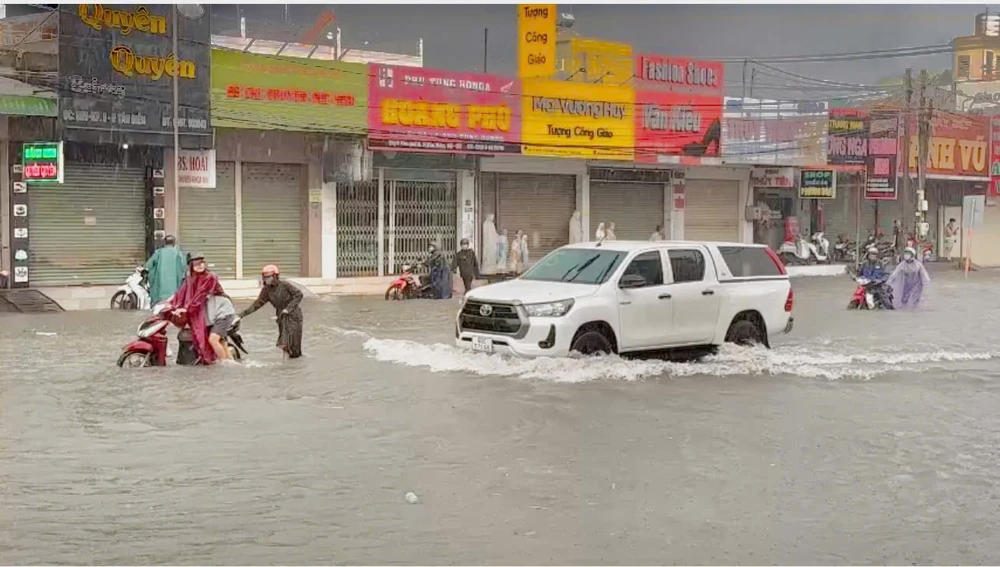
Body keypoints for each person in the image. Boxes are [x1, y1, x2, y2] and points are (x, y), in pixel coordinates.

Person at [172, 252, 227, 364]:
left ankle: (225, 364)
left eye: (202, 262)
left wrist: (187, 308)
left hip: (220, 311)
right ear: (191, 266)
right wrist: (173, 306)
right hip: (205, 312)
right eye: (197, 263)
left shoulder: (210, 277)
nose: (201, 265)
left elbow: (200, 295)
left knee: (212, 339)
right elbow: (180, 294)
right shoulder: (189, 279)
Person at [240, 265, 304, 359]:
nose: (267, 279)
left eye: (269, 277)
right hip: (281, 317)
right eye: (265, 277)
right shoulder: (266, 290)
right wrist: (241, 314)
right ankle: (286, 365)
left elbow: (299, 294)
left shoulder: (285, 285)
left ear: (275, 276)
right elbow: (257, 304)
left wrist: (288, 308)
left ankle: (292, 366)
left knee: (293, 345)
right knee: (284, 343)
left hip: (293, 315)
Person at [145, 235, 186, 305]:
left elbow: (149, 265)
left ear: (164, 243)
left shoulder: (159, 252)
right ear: (174, 243)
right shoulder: (178, 253)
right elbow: (183, 267)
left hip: (160, 289)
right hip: (175, 287)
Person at [206, 293, 238, 361]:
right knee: (222, 342)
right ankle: (229, 361)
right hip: (218, 315)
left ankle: (225, 363)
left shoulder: (205, 289)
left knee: (213, 339)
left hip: (223, 315)